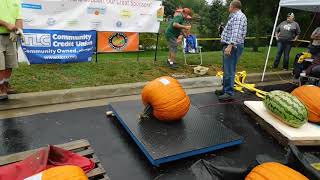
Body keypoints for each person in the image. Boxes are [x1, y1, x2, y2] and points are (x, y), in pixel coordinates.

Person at [215, 0, 247, 101]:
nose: (228, 8)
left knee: (229, 69)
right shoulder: (236, 16)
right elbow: (233, 30)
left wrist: (230, 45)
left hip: (233, 46)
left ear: (233, 7)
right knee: (226, 69)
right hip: (231, 45)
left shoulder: (238, 16)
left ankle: (228, 92)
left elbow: (236, 33)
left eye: (229, 6)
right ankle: (225, 89)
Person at [0, 0, 23, 100]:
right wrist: (6, 24)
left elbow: (19, 18)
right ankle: (0, 88)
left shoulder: (16, 0)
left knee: (10, 63)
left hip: (11, 36)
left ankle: (5, 84)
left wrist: (18, 30)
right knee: (0, 65)